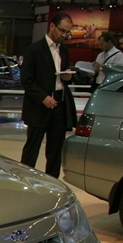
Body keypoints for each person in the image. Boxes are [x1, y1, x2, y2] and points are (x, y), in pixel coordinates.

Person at [20, 12, 77, 179]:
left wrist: (68, 76)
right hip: (38, 106)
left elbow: (62, 74)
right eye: (62, 30)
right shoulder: (34, 50)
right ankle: (25, 180)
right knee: (32, 148)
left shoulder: (63, 49)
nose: (64, 35)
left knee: (55, 149)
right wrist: (43, 97)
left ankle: (52, 182)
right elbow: (26, 80)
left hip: (59, 103)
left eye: (67, 32)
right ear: (52, 26)